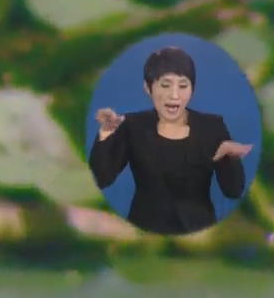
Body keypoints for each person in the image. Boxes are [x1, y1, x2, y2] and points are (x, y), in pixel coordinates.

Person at [88, 46, 252, 235]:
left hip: (200, 230)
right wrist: (106, 135)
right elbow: (103, 177)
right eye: (165, 85)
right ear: (148, 88)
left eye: (183, 86)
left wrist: (230, 157)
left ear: (192, 89)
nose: (174, 95)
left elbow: (233, 191)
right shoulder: (133, 126)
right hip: (144, 230)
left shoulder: (212, 127)